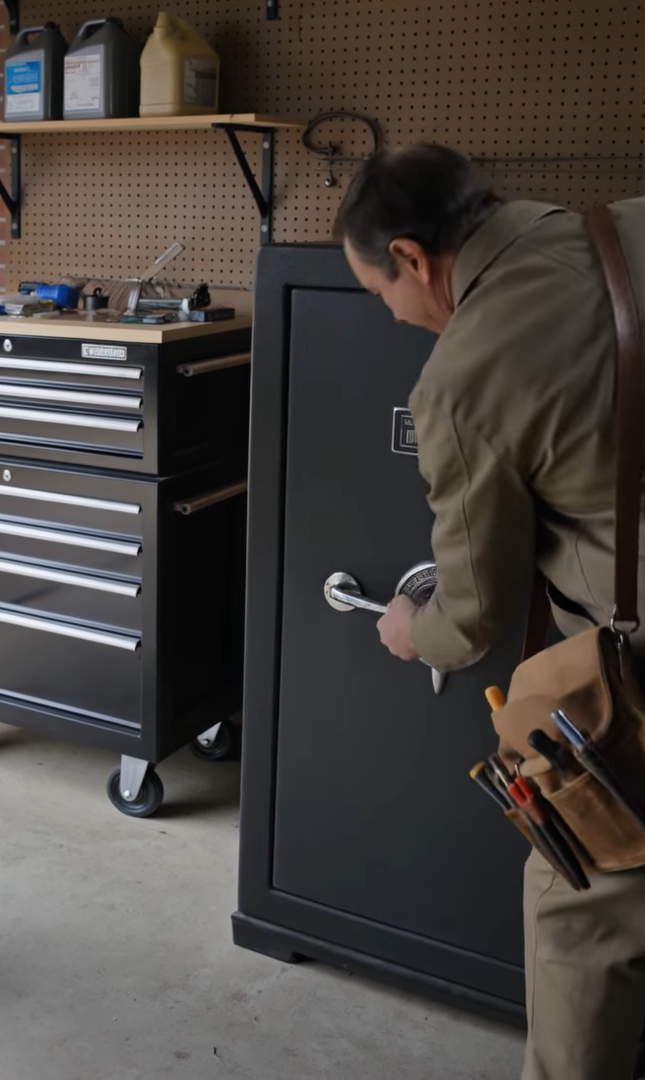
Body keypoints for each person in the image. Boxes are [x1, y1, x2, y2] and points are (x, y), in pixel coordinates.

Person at [335, 143, 645, 1080]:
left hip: (635, 674)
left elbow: (472, 616)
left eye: (379, 294)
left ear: (411, 259)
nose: (392, 315)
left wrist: (406, 627)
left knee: (580, 899)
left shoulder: (463, 376)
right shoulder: (624, 224)